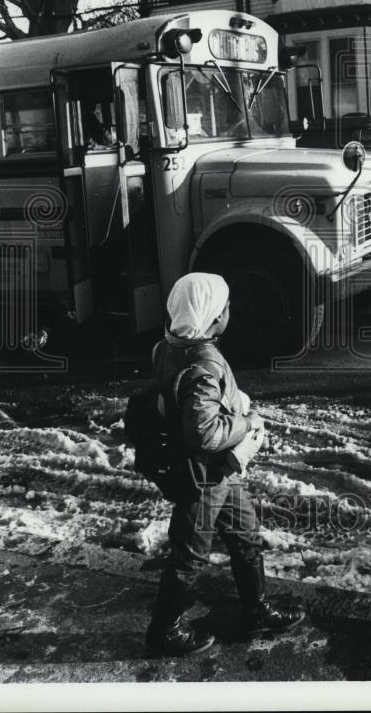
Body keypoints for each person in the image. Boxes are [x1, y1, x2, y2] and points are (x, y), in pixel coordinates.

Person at [145, 272, 305, 657]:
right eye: (226, 307)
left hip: (218, 472)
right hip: (203, 475)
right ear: (215, 316)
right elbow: (205, 434)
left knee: (246, 535)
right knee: (190, 555)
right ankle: (163, 632)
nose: (229, 312)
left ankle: (256, 611)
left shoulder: (167, 347)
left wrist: (231, 400)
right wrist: (246, 422)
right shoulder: (204, 363)